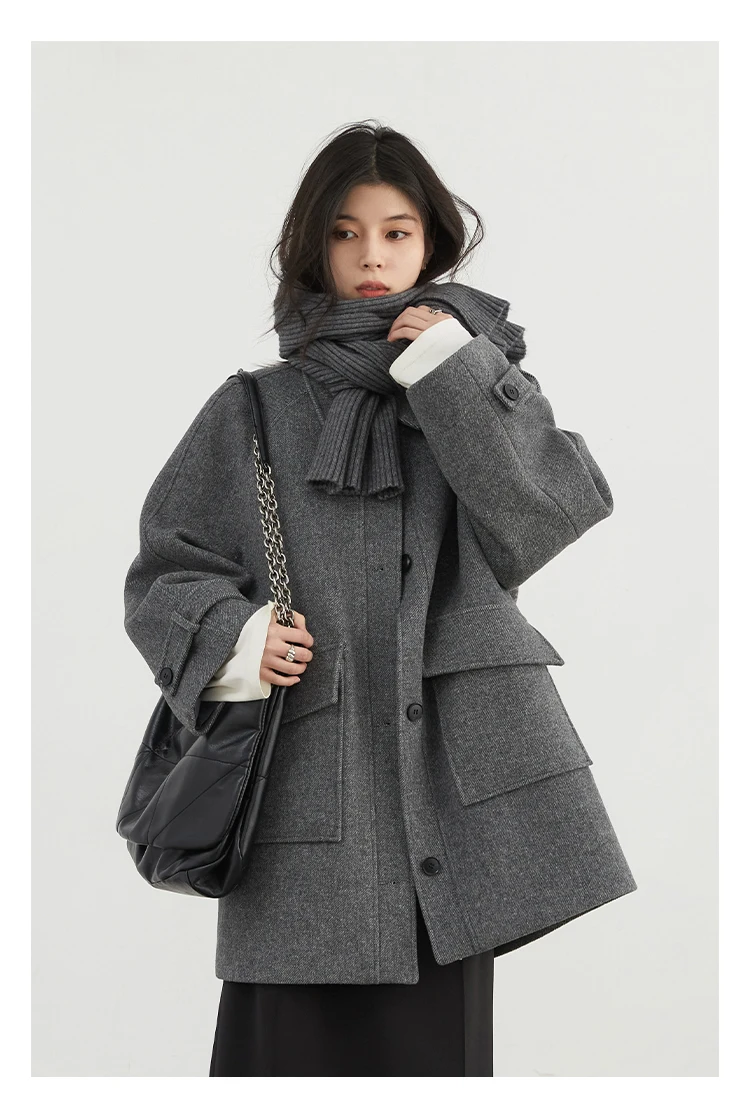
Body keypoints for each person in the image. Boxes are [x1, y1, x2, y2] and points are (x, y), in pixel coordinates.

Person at [123, 120, 637, 1077]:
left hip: (451, 795)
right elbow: (164, 570)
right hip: (307, 790)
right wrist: (236, 636)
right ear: (312, 246)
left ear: (430, 243)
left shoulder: (476, 382)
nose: (371, 257)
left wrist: (452, 370)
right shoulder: (254, 406)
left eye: (396, 233)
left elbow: (546, 518)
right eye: (346, 232)